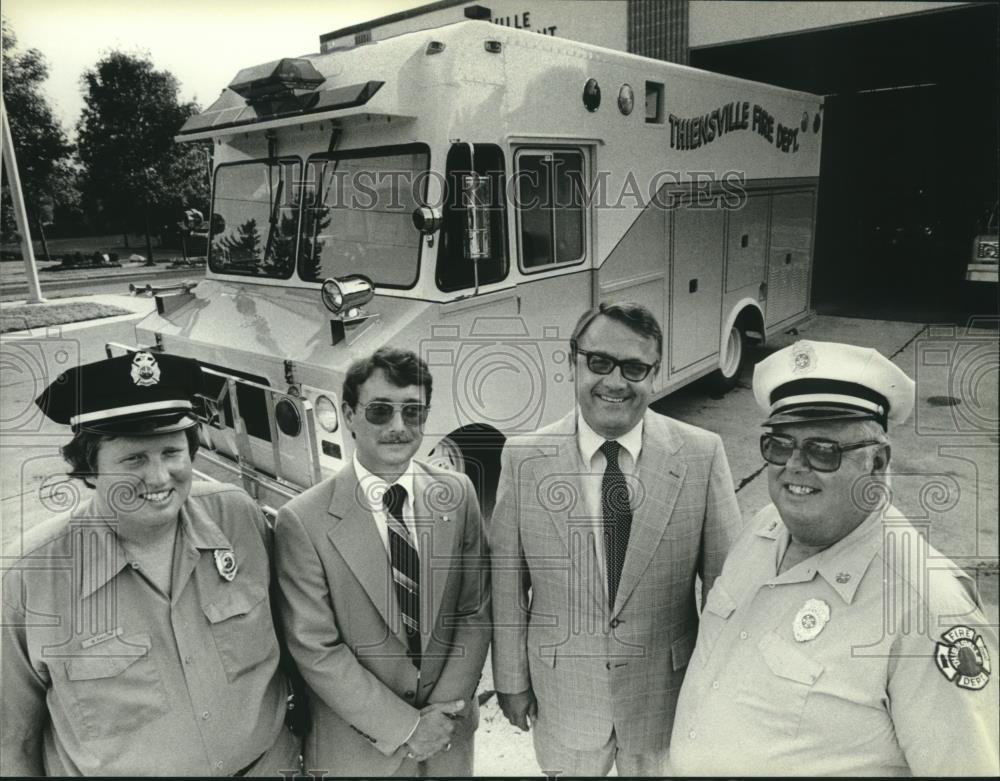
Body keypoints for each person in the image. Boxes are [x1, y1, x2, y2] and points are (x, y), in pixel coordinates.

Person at [670, 339, 1000, 776]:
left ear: (877, 461)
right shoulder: (763, 529)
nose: (794, 466)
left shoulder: (929, 609)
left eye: (822, 450)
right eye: (780, 445)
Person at [1, 352, 298, 776]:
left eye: (171, 452)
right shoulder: (29, 577)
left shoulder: (238, 518)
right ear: (90, 468)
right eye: (134, 459)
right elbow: (14, 739)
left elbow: (294, 647)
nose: (159, 477)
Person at [490, 301, 741, 776]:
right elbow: (506, 586)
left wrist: (717, 692)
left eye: (634, 368)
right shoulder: (522, 458)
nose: (614, 382)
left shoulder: (702, 455)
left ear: (655, 375)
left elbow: (726, 593)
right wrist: (510, 678)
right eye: (599, 362)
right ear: (573, 361)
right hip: (564, 698)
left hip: (665, 701)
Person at [273, 347, 490, 777]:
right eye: (379, 412)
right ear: (349, 415)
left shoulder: (458, 494)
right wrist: (408, 727)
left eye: (413, 412)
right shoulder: (302, 521)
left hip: (448, 742)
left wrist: (440, 720)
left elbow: (475, 611)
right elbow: (316, 650)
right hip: (361, 753)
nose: (398, 427)